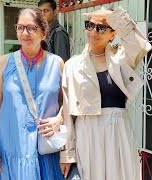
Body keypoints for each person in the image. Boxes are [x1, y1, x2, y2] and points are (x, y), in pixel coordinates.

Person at [59, 6, 152, 180]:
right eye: (90, 25)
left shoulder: (122, 58)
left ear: (113, 34)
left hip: (118, 132)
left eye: (101, 27)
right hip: (87, 133)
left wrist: (113, 16)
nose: (93, 31)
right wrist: (67, 154)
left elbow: (140, 44)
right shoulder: (72, 65)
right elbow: (68, 113)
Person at [0, 8, 64, 180]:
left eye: (31, 28)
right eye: (20, 27)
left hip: (46, 148)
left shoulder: (57, 64)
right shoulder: (3, 63)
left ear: (44, 33)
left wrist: (59, 119)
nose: (25, 33)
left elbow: (67, 103)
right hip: (11, 146)